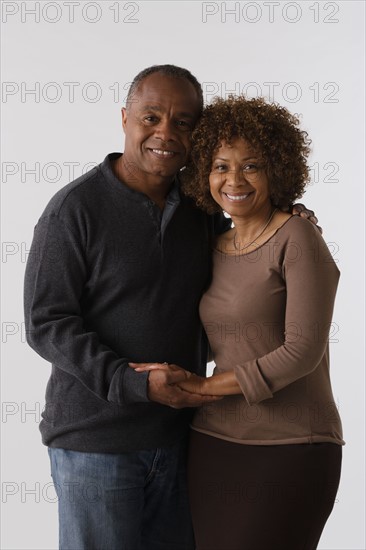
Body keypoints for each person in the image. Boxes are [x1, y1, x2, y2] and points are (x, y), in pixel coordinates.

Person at [24, 65, 318, 550]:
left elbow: (247, 252)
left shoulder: (202, 209)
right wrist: (131, 383)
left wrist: (292, 216)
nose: (166, 132)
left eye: (183, 121)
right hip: (96, 443)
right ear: (125, 118)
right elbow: (46, 323)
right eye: (151, 116)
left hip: (184, 438)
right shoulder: (74, 209)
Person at [131, 96, 344, 550]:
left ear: (277, 170)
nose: (234, 180)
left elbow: (301, 351)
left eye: (251, 166)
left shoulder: (298, 236)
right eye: (220, 166)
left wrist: (203, 388)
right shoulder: (213, 245)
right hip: (213, 443)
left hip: (291, 446)